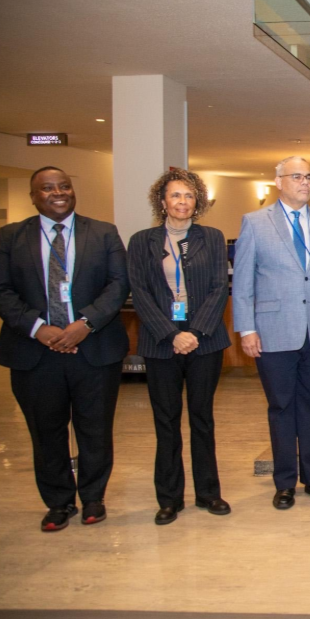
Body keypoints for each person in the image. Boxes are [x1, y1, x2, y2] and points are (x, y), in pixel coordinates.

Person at [0, 166, 129, 531]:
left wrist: (84, 324)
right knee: (46, 431)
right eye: (48, 188)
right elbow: (1, 291)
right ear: (33, 195)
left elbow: (118, 284)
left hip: (94, 349)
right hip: (35, 353)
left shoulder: (103, 233)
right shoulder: (10, 236)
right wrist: (39, 329)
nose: (58, 193)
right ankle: (58, 502)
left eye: (65, 186)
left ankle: (93, 499)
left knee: (95, 429)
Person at [232, 156, 310, 510]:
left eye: (309, 177)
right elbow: (244, 281)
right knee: (281, 406)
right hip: (272, 330)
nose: (305, 182)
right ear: (278, 181)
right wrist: (247, 329)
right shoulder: (255, 222)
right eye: (297, 176)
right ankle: (284, 483)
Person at [127, 169, 231, 525]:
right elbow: (139, 292)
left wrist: (196, 332)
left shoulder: (212, 238)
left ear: (197, 201)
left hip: (204, 340)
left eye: (188, 196)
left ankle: (208, 493)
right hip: (161, 341)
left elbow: (220, 287)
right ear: (162, 202)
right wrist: (172, 333)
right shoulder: (142, 241)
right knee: (166, 421)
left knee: (202, 418)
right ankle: (169, 498)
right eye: (175, 195)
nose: (182, 202)